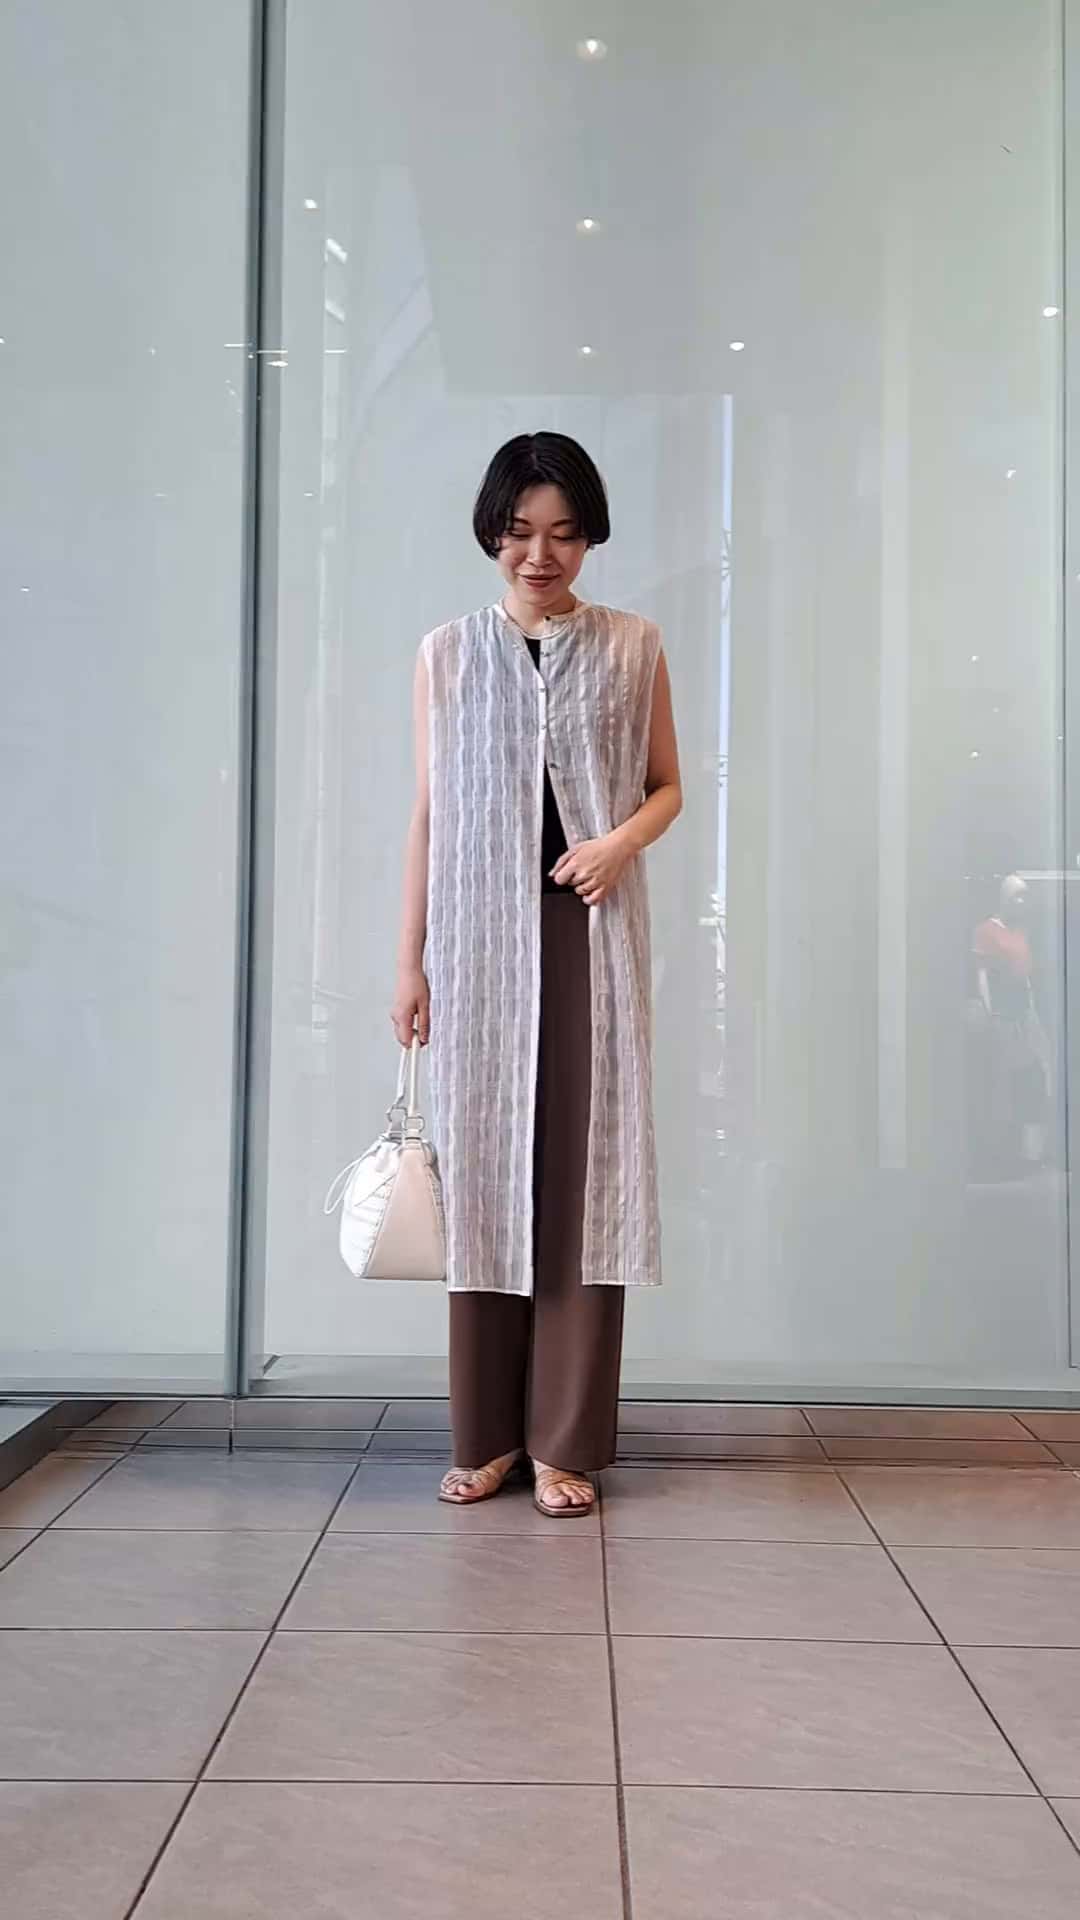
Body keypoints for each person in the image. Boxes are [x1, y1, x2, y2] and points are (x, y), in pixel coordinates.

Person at [391, 432, 682, 1515]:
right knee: (485, 1176)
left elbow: (667, 783)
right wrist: (409, 962)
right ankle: (487, 1438)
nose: (540, 555)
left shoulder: (633, 645)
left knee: (583, 1178)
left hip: (590, 937)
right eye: (519, 533)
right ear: (492, 534)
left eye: (563, 533)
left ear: (590, 537)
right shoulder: (446, 653)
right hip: (478, 949)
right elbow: (429, 813)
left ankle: (565, 1444)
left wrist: (618, 844)